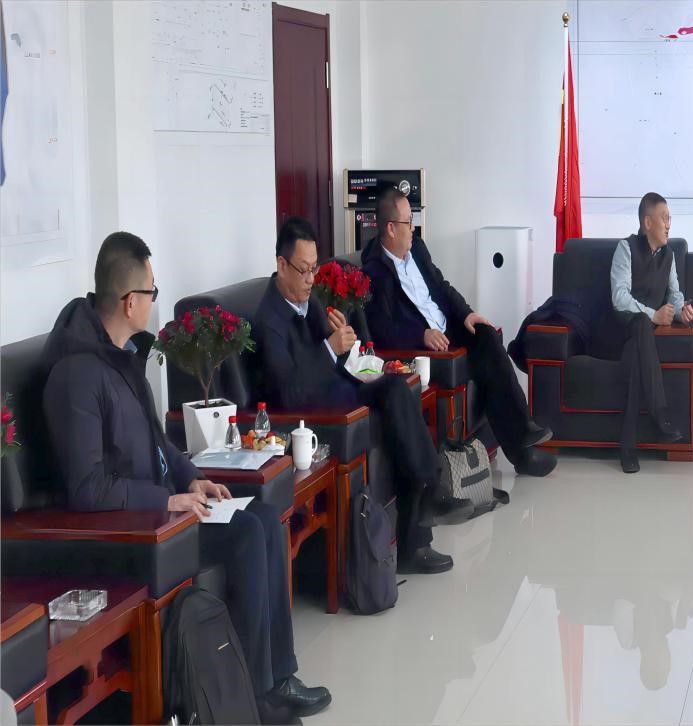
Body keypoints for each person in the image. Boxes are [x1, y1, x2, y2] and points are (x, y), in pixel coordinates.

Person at [42, 232, 330, 724]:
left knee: (265, 518)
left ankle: (277, 677)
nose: (155, 300)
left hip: (165, 510)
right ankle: (255, 694)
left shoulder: (122, 354)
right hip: (138, 530)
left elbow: (158, 441)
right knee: (246, 532)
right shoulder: (77, 375)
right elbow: (86, 489)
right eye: (152, 291)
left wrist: (192, 478)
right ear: (130, 301)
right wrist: (166, 500)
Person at [255, 217, 454, 575]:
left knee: (397, 388)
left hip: (341, 390)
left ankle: (429, 488)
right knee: (397, 419)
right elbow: (288, 392)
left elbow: (336, 356)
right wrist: (330, 349)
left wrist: (344, 340)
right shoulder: (268, 320)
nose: (311, 279)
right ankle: (423, 514)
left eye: (315, 268)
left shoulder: (309, 299)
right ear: (281, 265)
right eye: (303, 270)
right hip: (316, 414)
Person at [360, 187, 556, 477]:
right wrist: (421, 335)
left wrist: (466, 313)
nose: (413, 229)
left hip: (449, 327)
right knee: (486, 364)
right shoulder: (374, 271)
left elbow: (442, 286)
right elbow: (383, 328)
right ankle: (522, 454)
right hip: (427, 346)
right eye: (408, 222)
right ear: (390, 228)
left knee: (487, 335)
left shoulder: (417, 248)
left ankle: (524, 430)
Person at [608, 192, 693, 473]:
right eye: (664, 218)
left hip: (643, 340)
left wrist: (681, 311)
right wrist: (653, 314)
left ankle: (628, 447)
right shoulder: (625, 248)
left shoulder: (669, 255)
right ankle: (661, 416)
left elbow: (674, 292)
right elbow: (619, 297)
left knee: (639, 354)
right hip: (621, 332)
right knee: (642, 326)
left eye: (670, 218)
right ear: (647, 222)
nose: (669, 224)